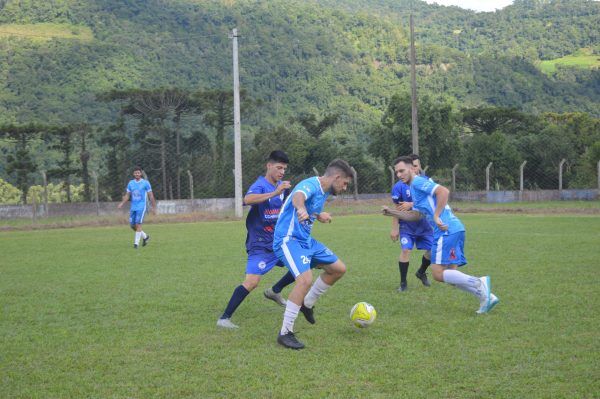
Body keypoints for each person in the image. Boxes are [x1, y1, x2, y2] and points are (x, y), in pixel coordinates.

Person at [382, 156, 499, 314]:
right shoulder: (414, 191)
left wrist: (436, 216)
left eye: (402, 170)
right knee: (452, 275)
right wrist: (392, 213)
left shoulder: (417, 182)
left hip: (445, 230)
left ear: (412, 169)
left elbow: (443, 191)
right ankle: (487, 297)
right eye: (396, 172)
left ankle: (479, 282)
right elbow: (416, 216)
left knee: (438, 273)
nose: (399, 175)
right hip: (455, 228)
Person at [274, 159, 353, 350]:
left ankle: (307, 304)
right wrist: (300, 208)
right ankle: (285, 333)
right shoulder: (310, 184)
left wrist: (319, 215)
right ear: (336, 177)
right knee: (304, 280)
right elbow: (299, 196)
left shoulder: (324, 191)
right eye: (344, 184)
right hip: (288, 238)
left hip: (306, 242)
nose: (344, 188)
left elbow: (310, 205)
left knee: (338, 269)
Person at [217, 150, 297, 329]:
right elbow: (248, 199)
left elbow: (287, 209)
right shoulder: (261, 185)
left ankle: (274, 291)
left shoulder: (283, 188)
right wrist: (275, 192)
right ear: (269, 166)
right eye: (278, 167)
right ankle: (224, 318)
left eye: (284, 169)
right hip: (259, 244)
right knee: (252, 282)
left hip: (277, 242)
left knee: (301, 264)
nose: (282, 172)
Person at [390, 154, 433, 292]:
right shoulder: (399, 187)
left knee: (432, 251)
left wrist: (411, 204)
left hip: (424, 225)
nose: (415, 168)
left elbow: (431, 200)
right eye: (412, 166)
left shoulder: (426, 181)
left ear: (419, 167)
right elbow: (397, 208)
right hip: (407, 226)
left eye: (416, 166)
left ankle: (421, 272)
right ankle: (403, 283)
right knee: (406, 250)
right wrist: (394, 228)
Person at [117, 166, 156, 248]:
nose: (137, 174)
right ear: (133, 174)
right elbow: (127, 195)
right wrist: (122, 203)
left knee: (138, 224)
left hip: (142, 206)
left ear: (141, 173)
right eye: (135, 173)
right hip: (133, 207)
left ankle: (136, 244)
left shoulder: (145, 183)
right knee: (132, 225)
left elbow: (151, 195)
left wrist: (153, 207)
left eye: (138, 173)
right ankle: (145, 237)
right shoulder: (131, 183)